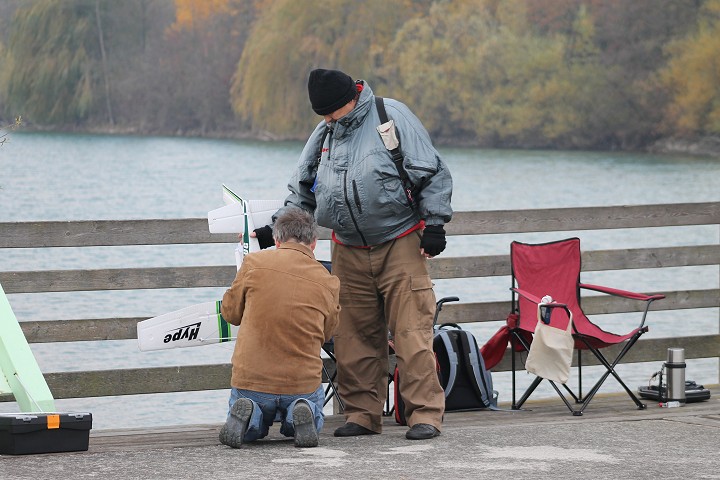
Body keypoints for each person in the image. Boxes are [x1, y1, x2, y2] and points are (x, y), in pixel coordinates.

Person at [253, 68, 453, 440]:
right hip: (346, 246)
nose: (328, 120)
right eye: (322, 115)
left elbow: (432, 172)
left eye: (331, 112)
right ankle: (362, 414)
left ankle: (425, 413)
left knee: (412, 333)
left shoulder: (390, 116)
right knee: (352, 336)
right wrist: (276, 230)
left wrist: (436, 224)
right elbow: (301, 192)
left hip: (401, 241)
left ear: (350, 99)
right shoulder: (324, 133)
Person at [219, 208, 341, 448]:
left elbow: (230, 314)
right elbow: (328, 334)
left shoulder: (254, 263)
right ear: (314, 243)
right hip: (301, 383)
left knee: (252, 423)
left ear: (276, 239)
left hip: (252, 381)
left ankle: (251, 413)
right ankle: (298, 411)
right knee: (311, 414)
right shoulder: (328, 280)